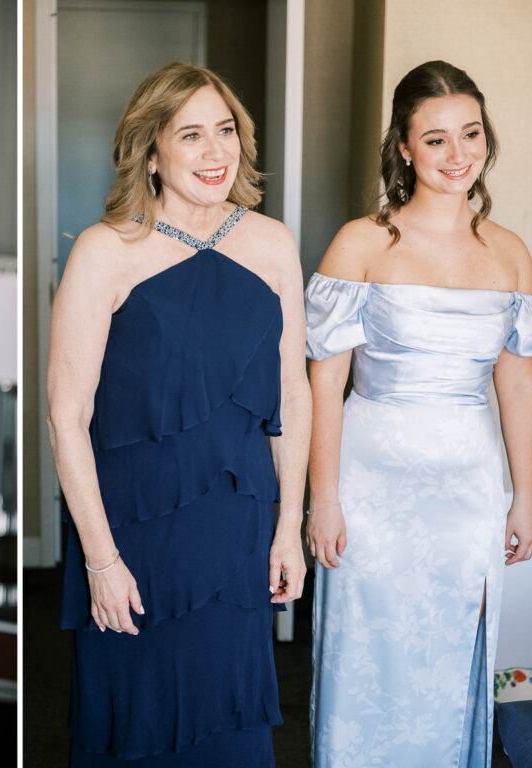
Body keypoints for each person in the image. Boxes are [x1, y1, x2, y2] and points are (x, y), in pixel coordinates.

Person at [47, 62, 309, 766]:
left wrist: (290, 526)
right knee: (137, 720)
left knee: (230, 723)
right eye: (191, 135)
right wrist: (101, 560)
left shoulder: (272, 243)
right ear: (151, 151)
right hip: (131, 533)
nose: (215, 151)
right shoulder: (106, 251)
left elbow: (292, 393)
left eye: (225, 130)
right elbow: (66, 416)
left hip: (237, 524)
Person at [306, 60, 532, 768]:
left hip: (468, 485)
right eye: (435, 139)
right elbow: (324, 384)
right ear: (404, 148)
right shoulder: (362, 242)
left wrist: (526, 495)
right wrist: (322, 500)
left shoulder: (511, 253)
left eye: (471, 133)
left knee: (451, 651)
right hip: (371, 483)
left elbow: (517, 385)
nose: (457, 154)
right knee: (366, 653)